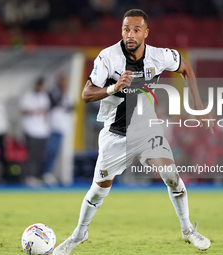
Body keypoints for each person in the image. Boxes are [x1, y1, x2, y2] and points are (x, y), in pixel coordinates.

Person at [53, 9, 214, 254]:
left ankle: (187, 230)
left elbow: (186, 68)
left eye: (136, 30)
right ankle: (79, 234)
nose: (130, 34)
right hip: (115, 136)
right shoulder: (108, 58)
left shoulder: (159, 56)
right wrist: (113, 88)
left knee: (172, 177)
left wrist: (199, 107)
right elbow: (86, 94)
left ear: (146, 33)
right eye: (126, 29)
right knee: (98, 190)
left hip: (147, 133)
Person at [43, 76, 74, 186]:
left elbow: (71, 108)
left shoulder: (67, 96)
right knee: (51, 151)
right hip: (53, 127)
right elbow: (53, 103)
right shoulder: (55, 94)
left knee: (60, 155)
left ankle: (57, 175)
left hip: (63, 128)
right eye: (63, 83)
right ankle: (46, 173)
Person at [20, 77, 50, 186]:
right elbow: (23, 110)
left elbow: (46, 111)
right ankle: (29, 176)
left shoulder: (44, 97)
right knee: (31, 155)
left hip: (42, 131)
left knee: (40, 155)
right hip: (31, 130)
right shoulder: (28, 96)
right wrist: (33, 111)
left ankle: (37, 176)